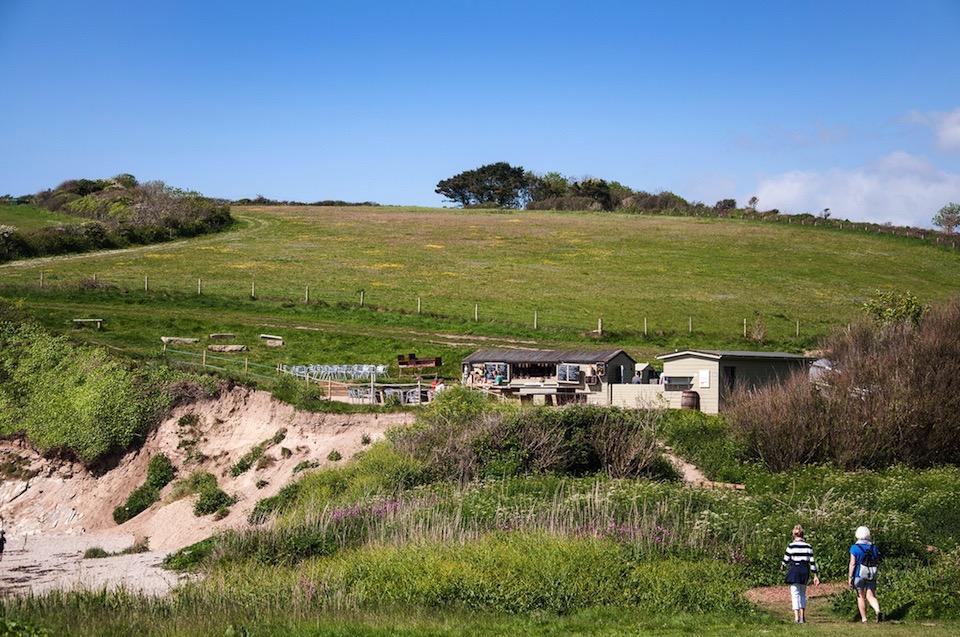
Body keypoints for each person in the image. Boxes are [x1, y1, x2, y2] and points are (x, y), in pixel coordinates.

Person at [781, 524, 820, 623]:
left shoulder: (791, 546)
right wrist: (815, 575)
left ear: (794, 535)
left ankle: (796, 617)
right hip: (804, 570)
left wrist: (782, 566)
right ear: (803, 535)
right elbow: (812, 561)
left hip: (794, 569)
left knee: (795, 593)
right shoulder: (808, 546)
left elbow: (786, 559)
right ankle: (803, 617)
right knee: (802, 593)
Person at [849, 526, 883, 623]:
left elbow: (852, 563)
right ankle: (877, 610)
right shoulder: (874, 547)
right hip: (871, 573)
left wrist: (850, 577)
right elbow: (877, 561)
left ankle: (864, 618)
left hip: (859, 574)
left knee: (860, 596)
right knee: (871, 595)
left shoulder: (854, 548)